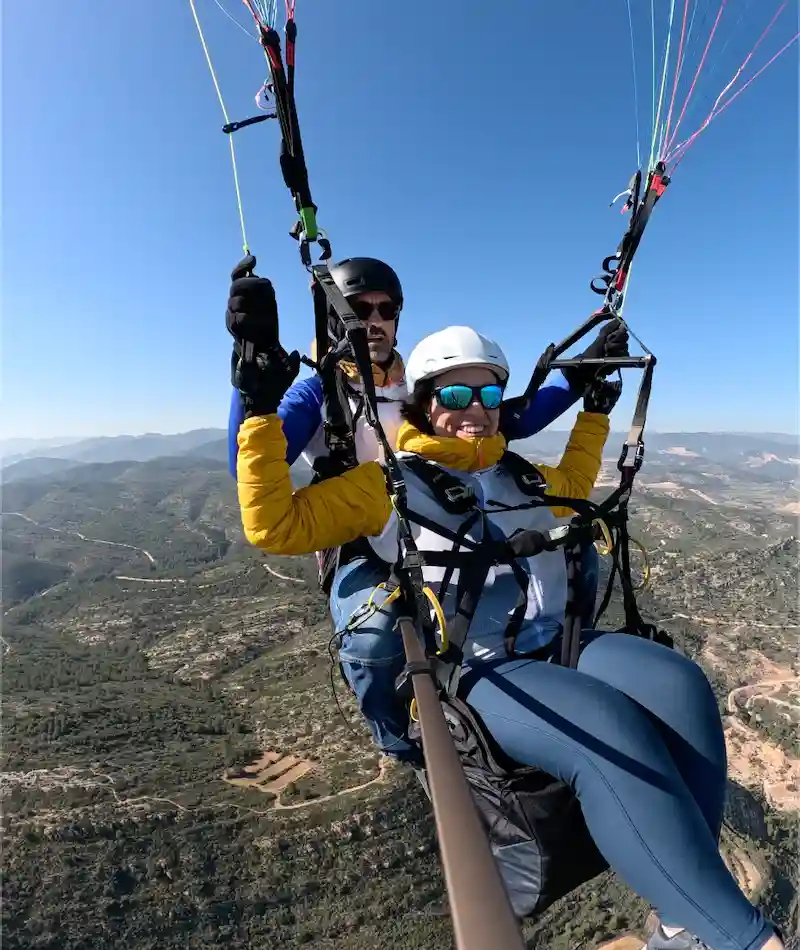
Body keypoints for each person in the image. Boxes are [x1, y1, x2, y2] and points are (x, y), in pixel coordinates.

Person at [229, 266, 783, 950]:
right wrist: (256, 409)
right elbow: (273, 526)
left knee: (680, 684)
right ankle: (746, 939)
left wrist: (596, 411)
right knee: (607, 729)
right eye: (454, 393)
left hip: (564, 638)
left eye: (488, 392)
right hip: (486, 665)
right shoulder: (385, 485)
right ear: (425, 404)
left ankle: (679, 919)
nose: (475, 407)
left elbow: (576, 482)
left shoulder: (516, 471)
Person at [226, 254, 627, 608]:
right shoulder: (320, 392)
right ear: (336, 318)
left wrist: (581, 371)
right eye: (359, 310)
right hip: (360, 525)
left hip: (442, 509)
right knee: (377, 635)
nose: (375, 321)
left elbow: (507, 419)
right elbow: (240, 464)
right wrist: (251, 394)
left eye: (386, 309)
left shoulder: (422, 385)